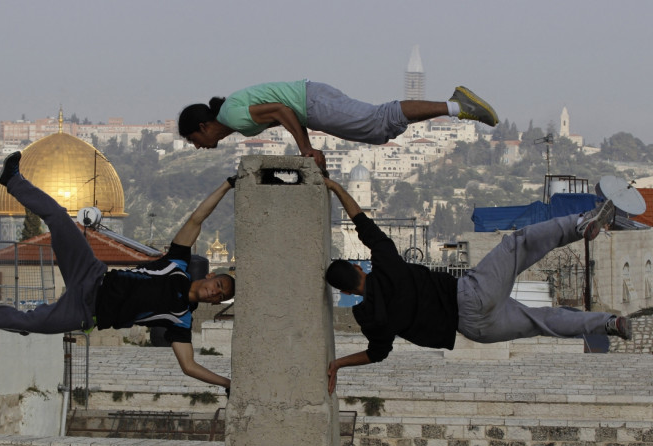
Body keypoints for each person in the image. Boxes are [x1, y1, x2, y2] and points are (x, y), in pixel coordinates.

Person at [0, 151, 236, 392]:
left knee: (24, 321)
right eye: (219, 284)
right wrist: (227, 185)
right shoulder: (178, 265)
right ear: (211, 276)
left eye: (219, 296)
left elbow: (189, 366)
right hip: (92, 274)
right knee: (59, 218)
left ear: (213, 302)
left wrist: (227, 384)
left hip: (85, 311)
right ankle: (12, 180)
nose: (215, 292)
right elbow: (197, 219)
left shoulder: (180, 320)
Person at [323, 178, 632, 395]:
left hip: (477, 331)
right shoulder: (386, 264)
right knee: (518, 244)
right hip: (470, 295)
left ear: (348, 293)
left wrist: (338, 363)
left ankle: (608, 324)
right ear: (356, 267)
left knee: (544, 322)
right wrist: (336, 187)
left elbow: (376, 354)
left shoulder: (372, 320)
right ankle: (579, 224)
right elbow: (361, 221)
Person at [178, 80, 498, 169]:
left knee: (378, 119)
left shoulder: (231, 116)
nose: (197, 146)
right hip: (313, 101)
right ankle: (458, 105)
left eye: (193, 139)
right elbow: (282, 111)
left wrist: (305, 149)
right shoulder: (232, 116)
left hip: (313, 103)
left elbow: (281, 110)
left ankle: (458, 106)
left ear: (203, 126)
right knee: (380, 131)